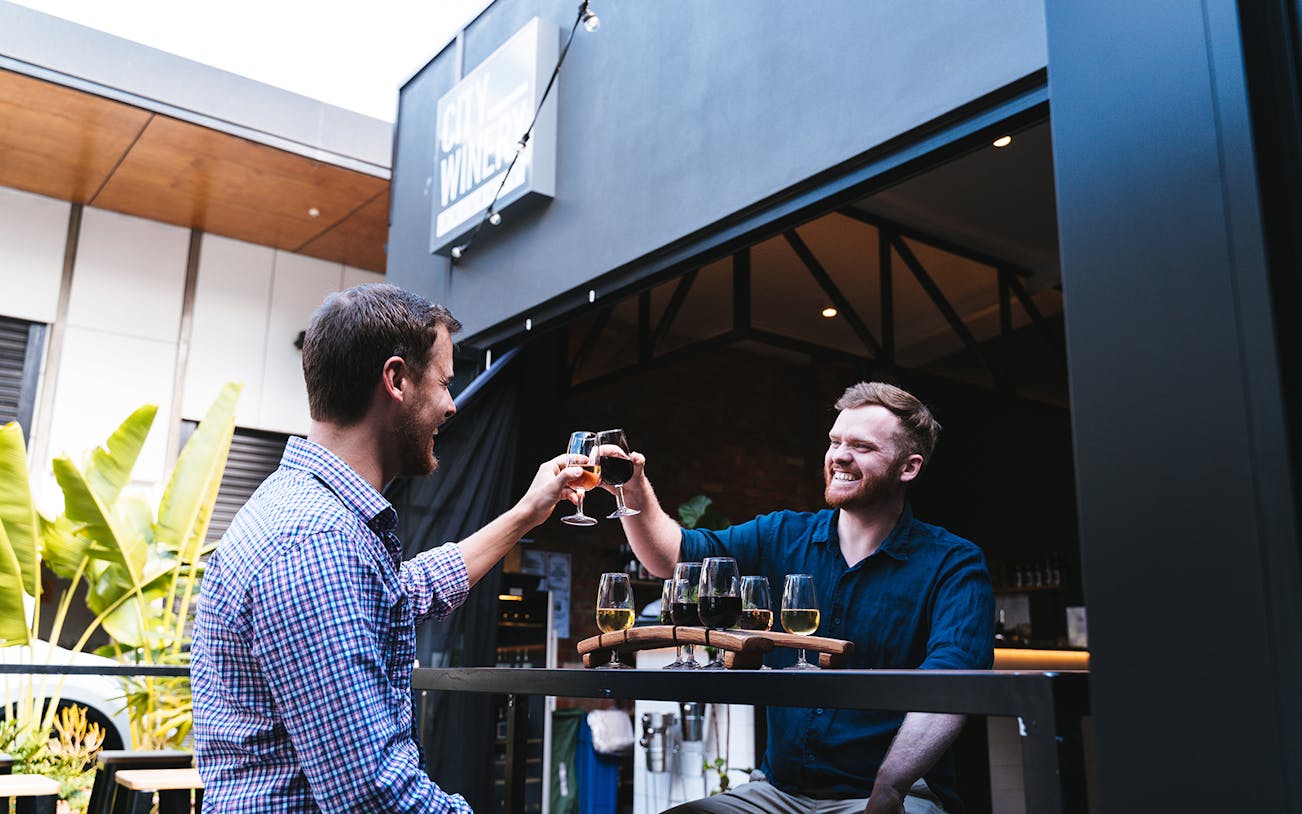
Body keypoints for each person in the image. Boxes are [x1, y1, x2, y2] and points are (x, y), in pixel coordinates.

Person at [192, 283, 581, 812]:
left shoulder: (306, 514)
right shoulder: (316, 543)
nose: (451, 404)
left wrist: (526, 513)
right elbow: (374, 795)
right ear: (396, 379)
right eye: (445, 382)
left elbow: (405, 592)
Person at [613, 382, 993, 814]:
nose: (840, 456)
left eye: (863, 446)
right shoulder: (782, 534)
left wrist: (889, 786)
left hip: (891, 792)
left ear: (908, 468)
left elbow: (950, 685)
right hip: (776, 792)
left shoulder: (953, 563)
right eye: (835, 442)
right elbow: (672, 557)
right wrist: (632, 485)